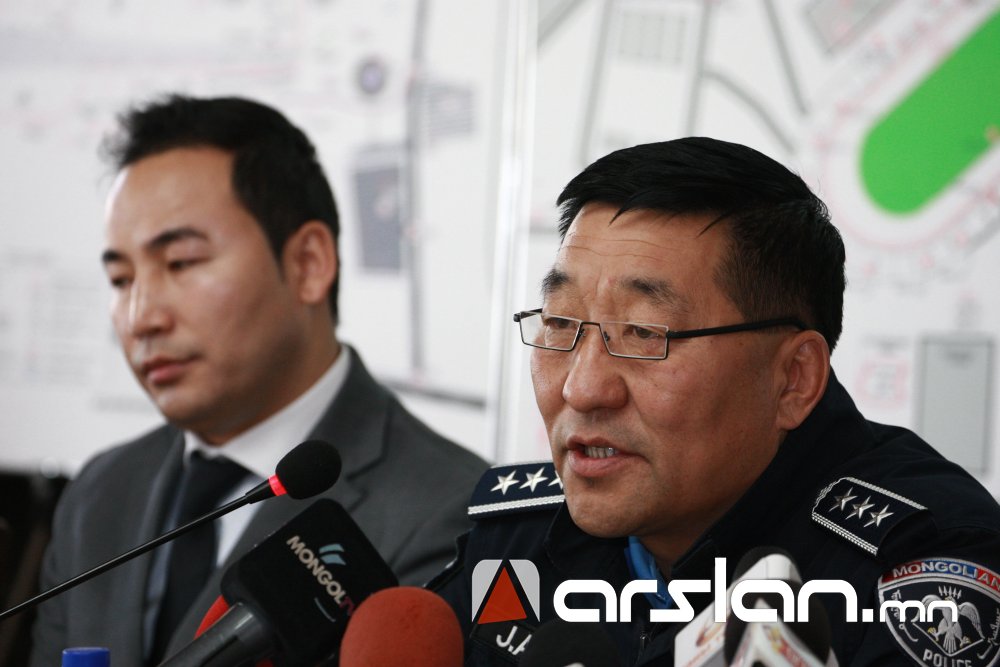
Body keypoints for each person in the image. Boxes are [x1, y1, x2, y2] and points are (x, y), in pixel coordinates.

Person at [430, 137, 1000, 666]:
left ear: (793, 379)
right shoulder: (517, 541)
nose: (582, 388)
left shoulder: (916, 571)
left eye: (645, 333)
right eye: (560, 323)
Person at [29, 94, 488, 666]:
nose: (141, 317)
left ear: (308, 264)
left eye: (181, 263)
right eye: (121, 280)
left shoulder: (454, 517)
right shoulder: (100, 492)